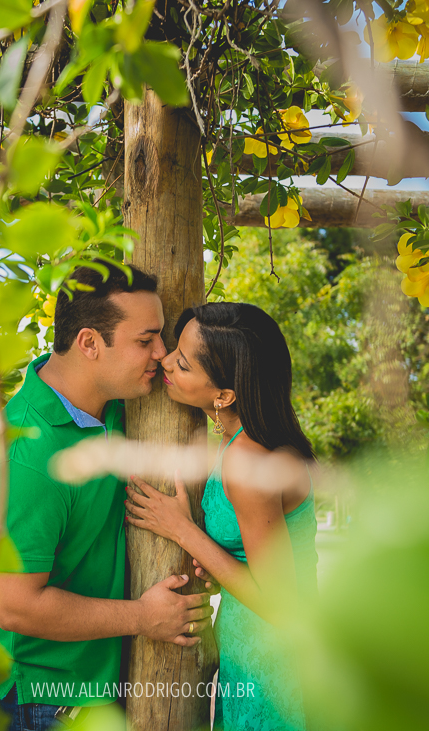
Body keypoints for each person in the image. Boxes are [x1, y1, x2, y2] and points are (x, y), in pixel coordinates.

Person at [0, 262, 213, 731]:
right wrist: (144, 617)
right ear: (88, 343)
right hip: (40, 703)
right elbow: (16, 605)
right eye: (145, 341)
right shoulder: (27, 456)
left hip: (99, 691)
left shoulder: (114, 405)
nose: (162, 354)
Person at [124, 302, 318, 731]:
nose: (166, 359)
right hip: (252, 648)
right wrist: (217, 561)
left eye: (184, 363)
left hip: (275, 661)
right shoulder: (244, 442)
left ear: (224, 395)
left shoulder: (248, 458)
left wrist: (181, 530)